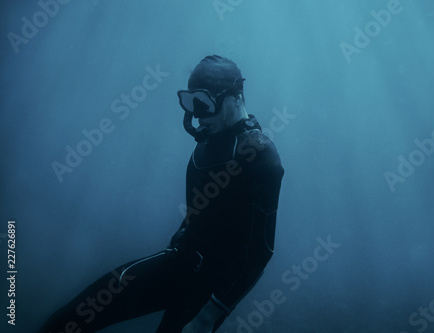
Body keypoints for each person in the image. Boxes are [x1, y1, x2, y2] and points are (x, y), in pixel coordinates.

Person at [37, 55, 284, 333]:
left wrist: (209, 315)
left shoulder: (258, 154)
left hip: (211, 290)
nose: (198, 116)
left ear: (235, 97)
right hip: (179, 262)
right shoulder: (210, 140)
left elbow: (261, 251)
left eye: (204, 103)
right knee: (66, 321)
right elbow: (200, 213)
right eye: (191, 103)